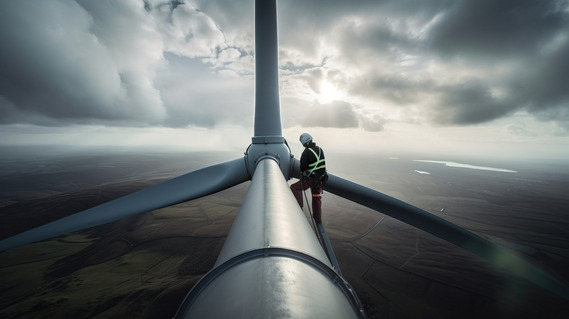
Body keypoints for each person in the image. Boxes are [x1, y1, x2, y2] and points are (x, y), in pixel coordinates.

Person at [290, 133, 327, 222]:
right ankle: (317, 218)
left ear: (305, 143)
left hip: (310, 179)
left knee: (295, 188)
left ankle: (299, 209)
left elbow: (303, 167)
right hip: (320, 179)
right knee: (316, 196)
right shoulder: (320, 149)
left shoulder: (306, 152)